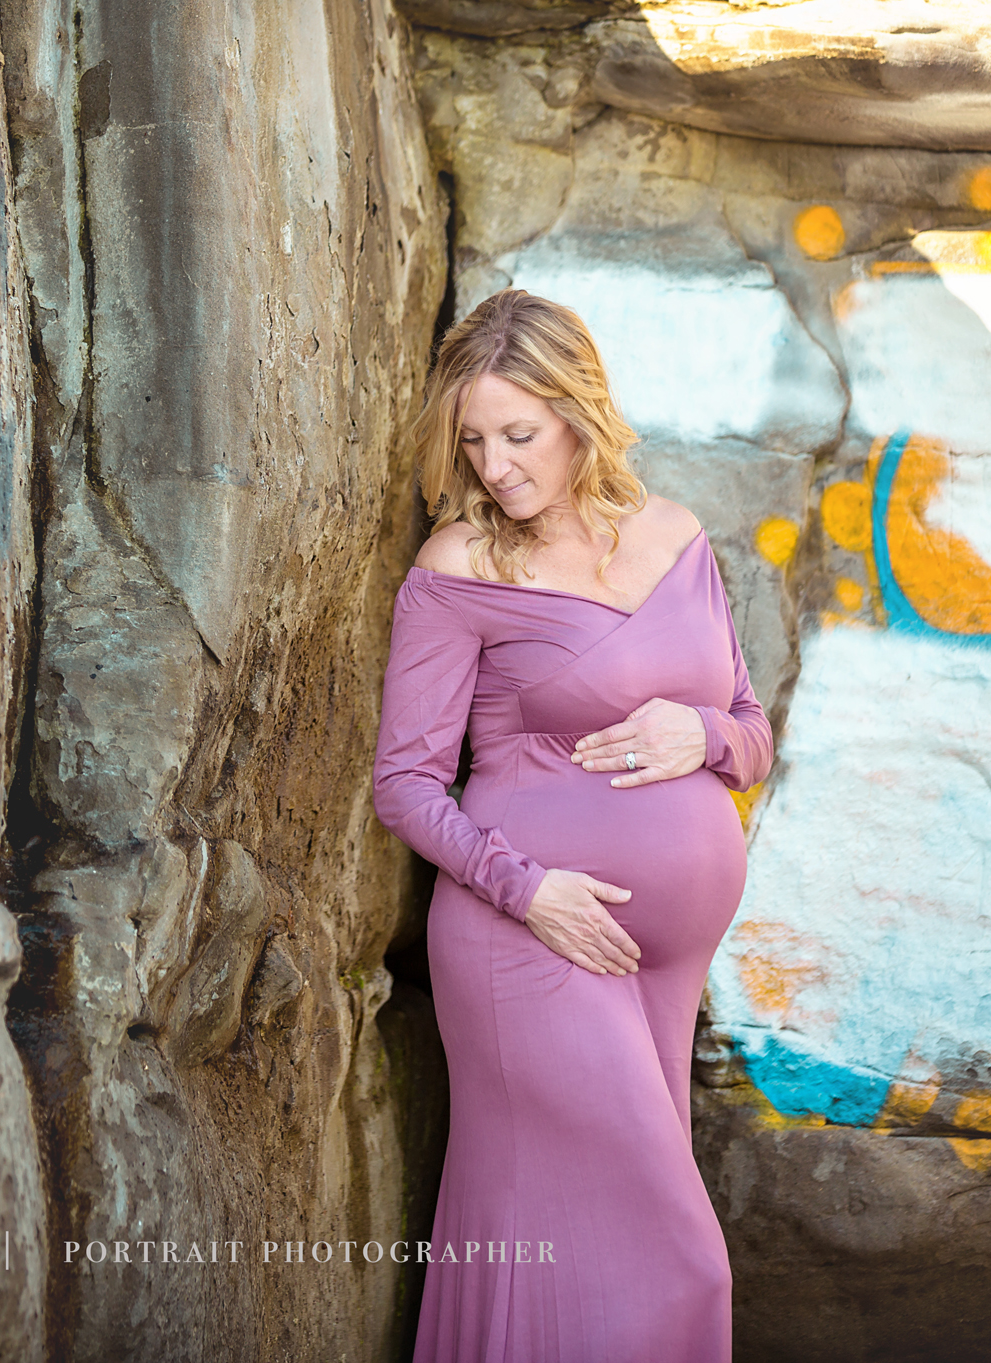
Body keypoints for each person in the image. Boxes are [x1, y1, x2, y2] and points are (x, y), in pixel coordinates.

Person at [372, 289, 774, 1363]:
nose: (495, 466)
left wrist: (701, 734)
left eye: (518, 433)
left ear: (577, 413)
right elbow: (405, 785)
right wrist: (528, 890)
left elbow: (749, 730)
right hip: (532, 939)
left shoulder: (675, 537)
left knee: (573, 1251)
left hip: (660, 962)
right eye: (472, 440)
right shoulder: (458, 568)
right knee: (672, 1256)